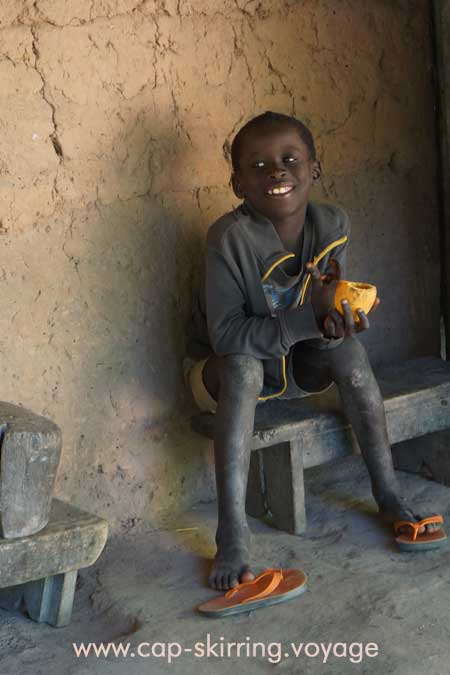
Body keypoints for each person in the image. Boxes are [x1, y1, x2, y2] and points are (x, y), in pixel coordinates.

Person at [185, 111, 445, 591]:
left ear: (315, 169)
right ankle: (232, 536)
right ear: (237, 184)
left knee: (349, 353)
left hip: (290, 364)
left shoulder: (331, 224)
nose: (277, 172)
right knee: (243, 371)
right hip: (221, 374)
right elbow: (227, 338)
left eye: (289, 159)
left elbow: (322, 308)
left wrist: (334, 323)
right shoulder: (229, 239)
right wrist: (308, 319)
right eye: (258, 166)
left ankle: (387, 494)